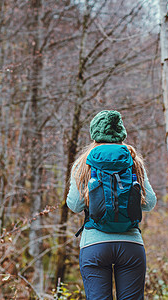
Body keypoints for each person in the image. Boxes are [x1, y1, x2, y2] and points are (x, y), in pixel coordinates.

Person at [66, 110, 157, 300]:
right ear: (120, 134)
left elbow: (74, 204)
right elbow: (149, 204)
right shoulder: (133, 161)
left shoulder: (83, 163)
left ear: (94, 135)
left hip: (94, 245)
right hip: (130, 244)